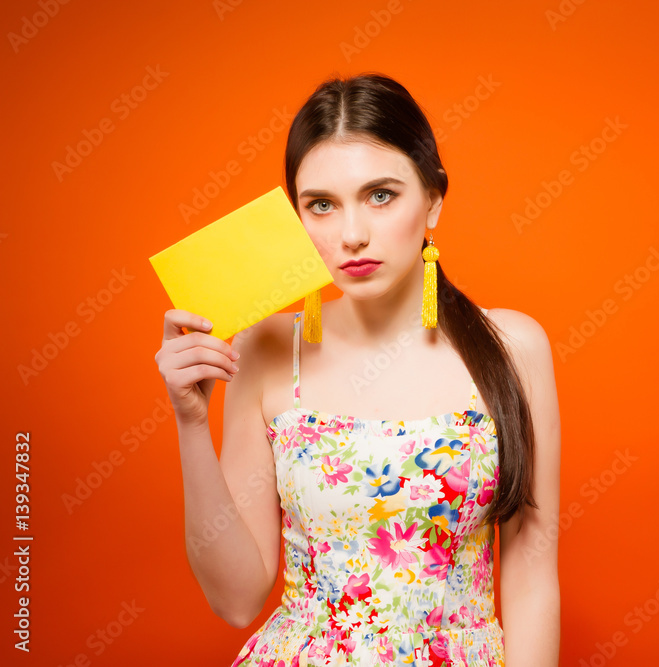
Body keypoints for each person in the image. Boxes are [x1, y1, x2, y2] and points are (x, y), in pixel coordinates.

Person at [154, 72, 561, 666]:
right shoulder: (266, 349)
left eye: (380, 195)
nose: (351, 235)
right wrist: (191, 421)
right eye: (321, 205)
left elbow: (532, 574)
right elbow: (237, 600)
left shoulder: (512, 347)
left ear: (434, 199)